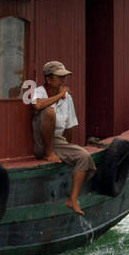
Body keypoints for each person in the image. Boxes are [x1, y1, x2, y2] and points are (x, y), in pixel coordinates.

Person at [29, 61, 95, 215]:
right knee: (50, 112)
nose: (64, 81)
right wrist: (59, 95)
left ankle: (72, 199)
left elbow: (69, 127)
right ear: (48, 79)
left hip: (57, 140)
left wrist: (69, 150)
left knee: (84, 157)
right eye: (60, 77)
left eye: (65, 77)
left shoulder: (68, 98)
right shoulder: (39, 91)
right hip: (39, 139)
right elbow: (37, 106)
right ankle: (48, 153)